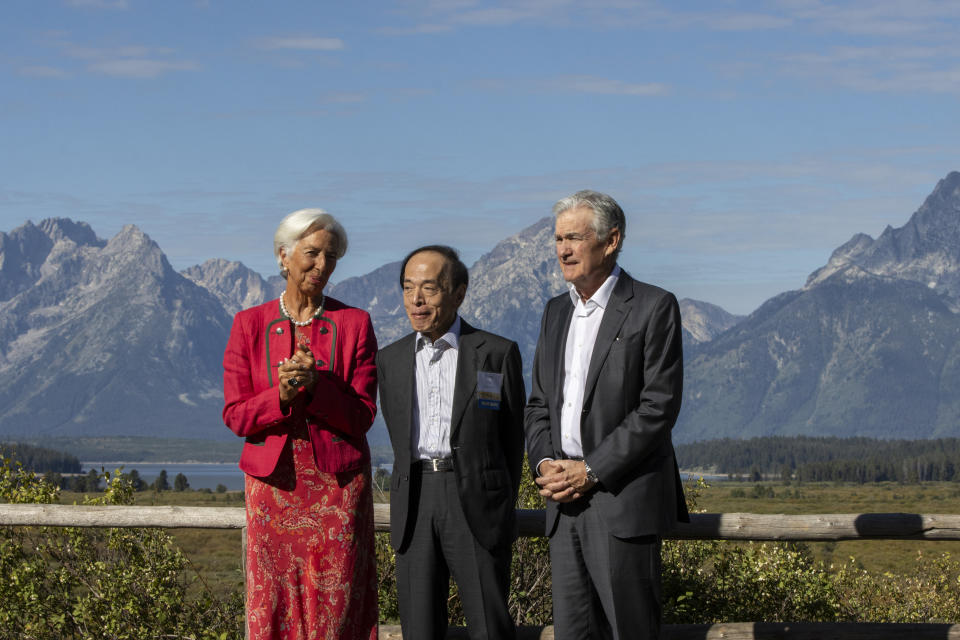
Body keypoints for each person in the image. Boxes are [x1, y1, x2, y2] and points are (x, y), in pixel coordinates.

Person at [524, 190, 688, 640]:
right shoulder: (555, 312)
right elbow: (538, 404)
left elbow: (658, 409)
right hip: (562, 503)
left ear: (611, 240)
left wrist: (591, 470)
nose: (562, 249)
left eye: (574, 237)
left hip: (622, 500)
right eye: (558, 239)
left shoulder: (654, 307)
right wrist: (544, 466)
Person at [222, 208, 378, 640]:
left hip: (338, 488)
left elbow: (362, 415)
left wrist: (317, 388)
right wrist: (282, 397)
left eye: (331, 257)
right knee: (273, 600)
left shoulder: (355, 323)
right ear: (283, 256)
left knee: (336, 606)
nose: (321, 266)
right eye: (312, 254)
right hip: (273, 487)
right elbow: (236, 415)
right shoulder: (248, 325)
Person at [377, 245, 526, 640]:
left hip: (477, 499)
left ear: (459, 293)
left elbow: (512, 440)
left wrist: (500, 501)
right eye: (408, 289)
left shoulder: (496, 353)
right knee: (419, 629)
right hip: (415, 501)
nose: (416, 300)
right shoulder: (389, 360)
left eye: (429, 288)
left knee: (490, 626)